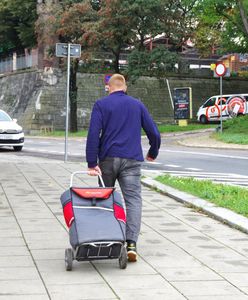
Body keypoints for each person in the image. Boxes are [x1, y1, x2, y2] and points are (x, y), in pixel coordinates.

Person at [86, 74, 161, 262]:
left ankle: (107, 239)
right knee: (133, 201)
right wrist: (153, 152)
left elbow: (94, 133)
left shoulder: (101, 105)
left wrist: (91, 163)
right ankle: (131, 244)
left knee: (105, 200)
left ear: (108, 88)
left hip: (107, 161)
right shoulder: (137, 105)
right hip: (132, 160)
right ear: (125, 87)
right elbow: (154, 132)